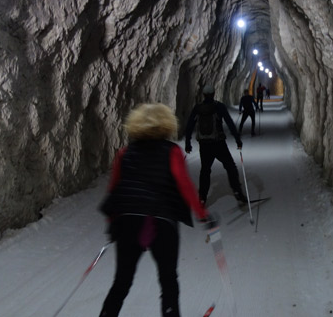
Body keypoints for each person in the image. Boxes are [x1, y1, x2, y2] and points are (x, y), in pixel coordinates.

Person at [98, 103, 216, 317]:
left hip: (128, 220)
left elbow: (115, 188)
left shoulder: (125, 153)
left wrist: (113, 223)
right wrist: (202, 214)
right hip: (161, 219)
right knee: (168, 279)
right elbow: (184, 185)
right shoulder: (172, 152)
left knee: (122, 281)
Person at [184, 84, 247, 207]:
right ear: (213, 94)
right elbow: (229, 123)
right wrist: (237, 140)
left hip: (204, 145)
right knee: (230, 167)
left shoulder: (198, 108)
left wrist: (188, 143)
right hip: (218, 144)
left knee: (205, 170)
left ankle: (202, 198)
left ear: (203, 95)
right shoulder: (219, 107)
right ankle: (237, 192)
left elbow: (189, 126)